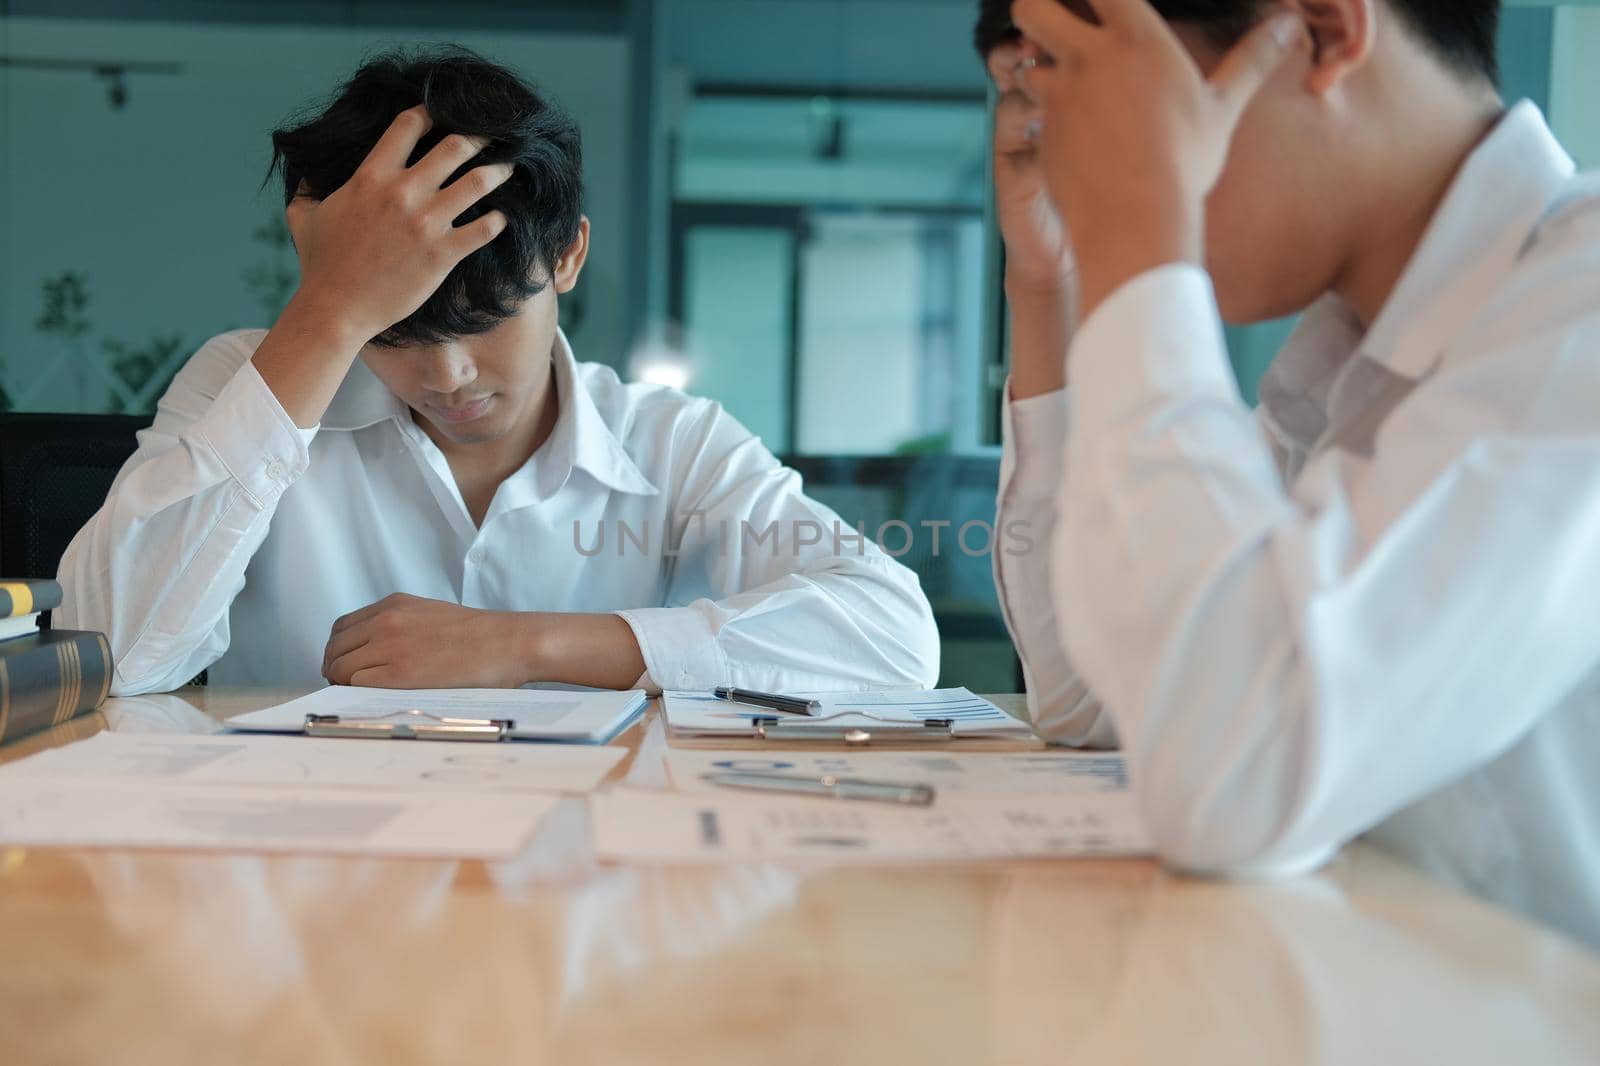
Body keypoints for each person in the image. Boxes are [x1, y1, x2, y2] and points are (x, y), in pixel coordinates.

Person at [980, 0, 1600, 949]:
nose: (1081, 176)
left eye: (1121, 114)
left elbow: (1237, 771)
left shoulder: (1578, 313)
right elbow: (1089, 696)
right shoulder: (1348, 368)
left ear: (1320, 31)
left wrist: (1141, 238)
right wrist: (1051, 281)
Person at [57, 48, 939, 697]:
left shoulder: (671, 442)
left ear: (568, 258)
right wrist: (329, 313)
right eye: (393, 331)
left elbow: (894, 640)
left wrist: (526, 646)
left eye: (484, 322)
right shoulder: (248, 380)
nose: (447, 374)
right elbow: (116, 655)